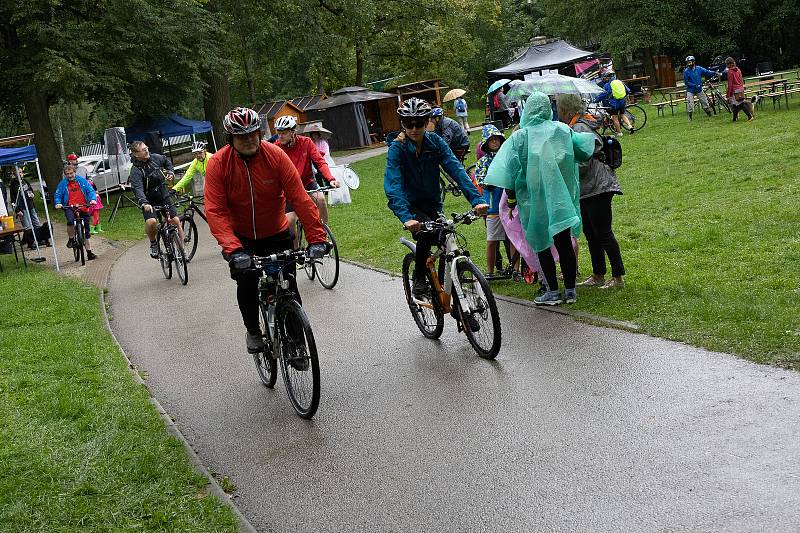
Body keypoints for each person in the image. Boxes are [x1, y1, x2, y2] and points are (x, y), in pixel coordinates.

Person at [204, 107, 328, 353]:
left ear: (260, 132)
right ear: (231, 139)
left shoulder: (276, 156)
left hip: (276, 232)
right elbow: (215, 211)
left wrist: (316, 239)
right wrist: (233, 249)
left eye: (253, 133)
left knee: (289, 286)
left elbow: (300, 198)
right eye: (242, 136)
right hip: (242, 239)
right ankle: (253, 331)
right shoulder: (218, 164)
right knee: (247, 284)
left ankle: (297, 345)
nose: (249, 140)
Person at [484, 91, 595, 305]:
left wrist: (511, 196)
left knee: (542, 244)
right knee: (564, 242)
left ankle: (552, 291)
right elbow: (583, 150)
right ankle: (570, 290)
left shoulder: (520, 137)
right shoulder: (562, 130)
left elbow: (510, 170)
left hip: (532, 200)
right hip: (559, 196)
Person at [384, 97, 488, 300]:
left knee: (445, 235)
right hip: (410, 205)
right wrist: (406, 217)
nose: (414, 128)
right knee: (425, 233)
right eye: (408, 124)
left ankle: (448, 293)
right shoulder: (397, 149)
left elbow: (457, 171)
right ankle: (420, 277)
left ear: (427, 122)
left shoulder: (435, 142)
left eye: (419, 123)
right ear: (402, 124)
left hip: (432, 201)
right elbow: (393, 184)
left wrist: (476, 200)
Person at [557, 93, 625, 289]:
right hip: (589, 187)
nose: (558, 112)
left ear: (565, 109)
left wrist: (564, 169)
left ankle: (618, 276)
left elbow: (584, 162)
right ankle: (598, 274)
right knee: (591, 233)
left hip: (598, 186)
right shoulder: (577, 125)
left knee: (603, 232)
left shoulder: (578, 127)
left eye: (559, 108)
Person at [272, 115, 339, 232]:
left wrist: (330, 179)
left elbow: (320, 162)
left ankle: (324, 232)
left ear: (293, 132)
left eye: (283, 133)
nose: (280, 136)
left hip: (308, 182)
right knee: (291, 220)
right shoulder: (275, 148)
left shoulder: (306, 142)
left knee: (321, 199)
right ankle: (294, 249)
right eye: (278, 132)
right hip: (289, 188)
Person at [128, 140, 183, 258]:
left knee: (176, 221)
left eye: (146, 147)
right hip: (149, 201)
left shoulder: (156, 158)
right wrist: (144, 202)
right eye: (143, 150)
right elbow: (138, 189)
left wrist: (170, 172)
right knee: (151, 222)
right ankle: (153, 243)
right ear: (136, 154)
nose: (147, 150)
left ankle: (182, 253)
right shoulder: (135, 171)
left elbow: (167, 162)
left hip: (163, 194)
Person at [474, 124, 516, 278]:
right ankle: (491, 272)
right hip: (493, 207)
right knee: (492, 240)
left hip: (510, 205)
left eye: (497, 139)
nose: (495, 142)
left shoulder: (507, 157)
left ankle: (515, 270)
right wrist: (495, 180)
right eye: (491, 140)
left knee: (513, 238)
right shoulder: (483, 161)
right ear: (486, 143)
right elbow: (482, 181)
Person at [53, 164, 97, 260]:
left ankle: (89, 253)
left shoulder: (82, 181)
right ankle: (72, 239)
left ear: (75, 172)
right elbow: (58, 194)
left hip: (83, 206)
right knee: (70, 221)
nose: (69, 175)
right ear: (65, 175)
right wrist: (58, 203)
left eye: (71, 173)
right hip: (70, 207)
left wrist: (92, 199)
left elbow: (90, 191)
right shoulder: (63, 184)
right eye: (67, 174)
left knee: (86, 231)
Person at [594, 71, 630, 137]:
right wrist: (623, 97)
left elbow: (603, 94)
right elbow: (628, 90)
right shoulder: (620, 82)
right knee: (622, 115)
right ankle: (629, 126)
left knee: (615, 118)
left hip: (614, 104)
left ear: (608, 78)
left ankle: (619, 133)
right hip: (622, 102)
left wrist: (596, 100)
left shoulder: (607, 85)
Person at [683, 55, 715, 120]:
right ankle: (690, 117)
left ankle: (709, 114)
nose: (689, 64)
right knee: (690, 103)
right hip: (690, 90)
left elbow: (707, 72)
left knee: (704, 101)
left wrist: (714, 72)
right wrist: (694, 85)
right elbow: (686, 82)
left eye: (690, 62)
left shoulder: (699, 68)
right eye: (688, 62)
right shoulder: (686, 71)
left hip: (699, 89)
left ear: (693, 62)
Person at [725, 57, 754, 122]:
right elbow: (741, 79)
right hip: (740, 88)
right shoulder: (738, 69)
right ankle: (734, 119)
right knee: (735, 105)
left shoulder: (730, 72)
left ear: (729, 64)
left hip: (734, 90)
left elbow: (730, 84)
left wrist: (729, 95)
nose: (726, 66)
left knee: (741, 104)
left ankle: (750, 117)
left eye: (727, 64)